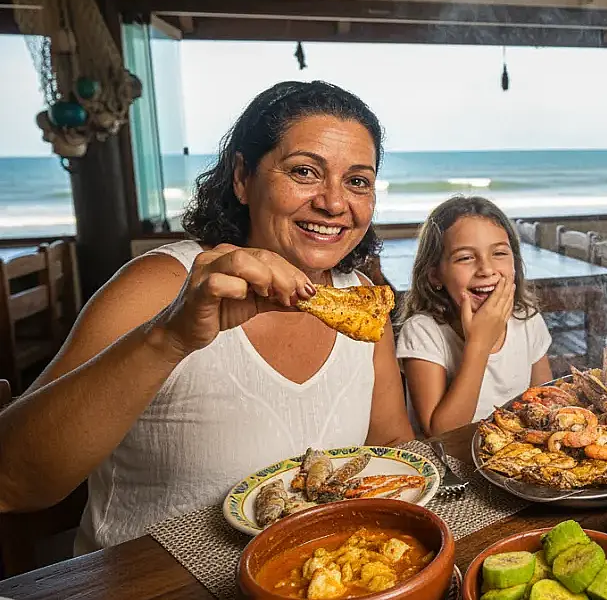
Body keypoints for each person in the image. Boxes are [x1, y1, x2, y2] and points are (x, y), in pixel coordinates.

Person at [0, 81, 416, 551]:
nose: (335, 203)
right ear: (242, 177)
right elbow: (13, 483)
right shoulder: (159, 285)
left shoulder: (363, 302)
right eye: (304, 171)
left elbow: (391, 446)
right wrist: (170, 337)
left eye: (357, 181)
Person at [397, 196, 552, 437]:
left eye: (499, 253)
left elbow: (545, 401)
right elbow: (443, 433)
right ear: (435, 275)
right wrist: (479, 344)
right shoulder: (422, 331)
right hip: (448, 464)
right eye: (465, 258)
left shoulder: (527, 319)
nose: (487, 269)